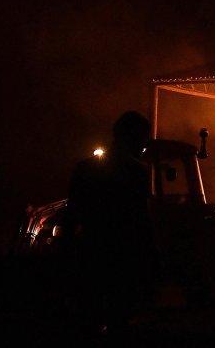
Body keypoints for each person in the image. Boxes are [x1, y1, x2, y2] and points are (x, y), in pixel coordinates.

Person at [61, 110, 159, 337]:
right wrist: (151, 253)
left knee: (88, 317)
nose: (144, 146)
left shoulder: (85, 169)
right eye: (142, 140)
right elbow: (141, 217)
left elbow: (72, 213)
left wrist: (67, 251)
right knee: (119, 318)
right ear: (132, 138)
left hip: (92, 251)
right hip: (123, 254)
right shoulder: (136, 173)